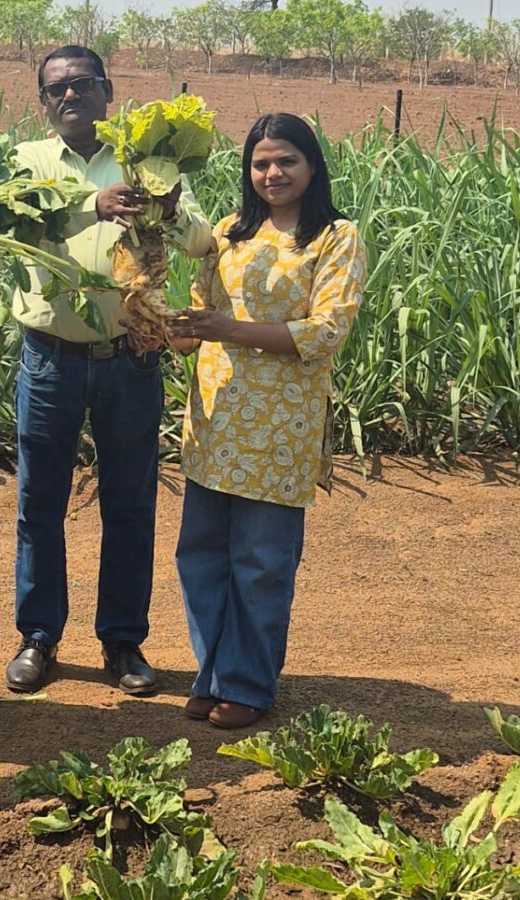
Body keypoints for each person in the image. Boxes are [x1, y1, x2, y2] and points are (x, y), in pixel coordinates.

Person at [4, 45, 214, 695]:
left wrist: (168, 207)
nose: (70, 95)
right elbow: (13, 226)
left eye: (83, 83)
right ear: (43, 103)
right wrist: (92, 206)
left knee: (129, 503)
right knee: (40, 503)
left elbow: (201, 241)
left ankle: (123, 642)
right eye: (56, 89)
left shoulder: (148, 162)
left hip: (131, 357)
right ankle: (39, 636)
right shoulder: (27, 161)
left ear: (108, 90)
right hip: (50, 357)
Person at [167, 112, 367, 730]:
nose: (273, 173)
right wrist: (162, 326)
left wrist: (229, 330)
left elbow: (325, 331)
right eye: (260, 163)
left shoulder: (334, 237)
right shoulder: (228, 232)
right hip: (215, 421)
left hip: (281, 428)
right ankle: (212, 674)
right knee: (201, 556)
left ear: (312, 166)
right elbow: (202, 315)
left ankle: (249, 684)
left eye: (286, 161)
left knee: (260, 562)